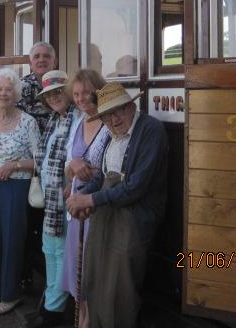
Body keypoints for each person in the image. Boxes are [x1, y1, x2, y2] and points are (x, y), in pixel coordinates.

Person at [67, 82, 168, 328]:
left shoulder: (150, 130)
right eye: (106, 115)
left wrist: (90, 199)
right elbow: (102, 176)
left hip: (133, 219)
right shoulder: (111, 134)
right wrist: (80, 195)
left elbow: (136, 187)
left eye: (117, 111)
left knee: (121, 286)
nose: (112, 120)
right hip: (105, 216)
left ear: (131, 106)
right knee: (97, 276)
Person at [0, 68, 40, 315]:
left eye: (8, 89)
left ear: (16, 93)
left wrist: (13, 165)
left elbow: (40, 159)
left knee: (13, 239)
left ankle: (10, 294)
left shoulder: (28, 122)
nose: (3, 93)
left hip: (17, 186)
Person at [61, 69, 110, 328]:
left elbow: (107, 167)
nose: (81, 99)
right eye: (76, 94)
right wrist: (74, 169)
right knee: (77, 269)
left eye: (86, 93)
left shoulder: (109, 121)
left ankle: (89, 322)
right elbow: (70, 164)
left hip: (97, 206)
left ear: (98, 92)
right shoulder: (79, 121)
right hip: (76, 206)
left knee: (92, 268)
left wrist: (81, 168)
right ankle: (81, 319)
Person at [33, 70, 81, 327]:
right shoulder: (55, 119)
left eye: (58, 91)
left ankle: (53, 311)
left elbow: (79, 154)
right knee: (49, 251)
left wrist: (71, 181)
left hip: (67, 197)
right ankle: (49, 302)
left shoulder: (78, 117)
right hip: (51, 198)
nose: (54, 97)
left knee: (62, 254)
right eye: (49, 94)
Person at [17, 41, 57, 292]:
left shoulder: (61, 83)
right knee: (26, 225)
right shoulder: (21, 87)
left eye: (46, 56)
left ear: (54, 60)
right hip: (28, 168)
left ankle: (52, 283)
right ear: (31, 61)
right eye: (37, 56)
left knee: (50, 228)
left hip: (55, 169)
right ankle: (25, 278)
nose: (41, 60)